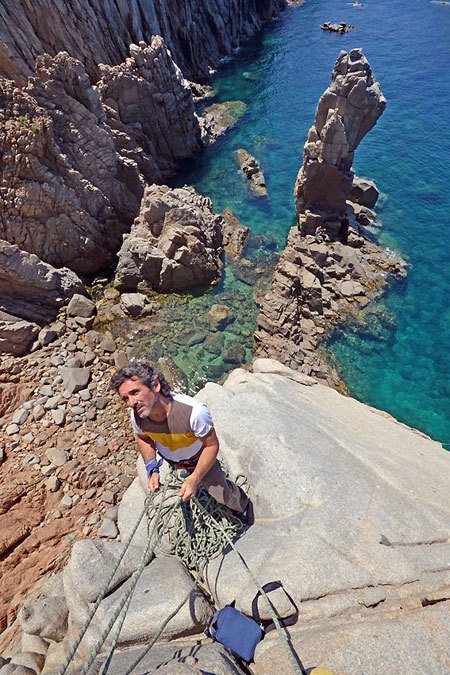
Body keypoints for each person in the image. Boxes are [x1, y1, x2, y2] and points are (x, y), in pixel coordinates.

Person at [110, 360, 251, 520]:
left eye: (135, 392)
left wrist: (195, 478)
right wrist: (152, 469)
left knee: (222, 495)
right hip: (173, 460)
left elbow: (211, 446)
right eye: (125, 399)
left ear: (155, 385)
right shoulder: (138, 416)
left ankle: (243, 505)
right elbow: (144, 439)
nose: (131, 403)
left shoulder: (193, 412)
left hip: (198, 458)